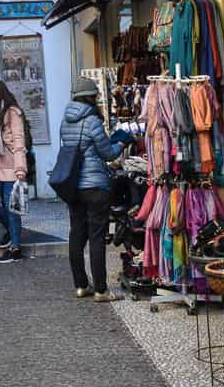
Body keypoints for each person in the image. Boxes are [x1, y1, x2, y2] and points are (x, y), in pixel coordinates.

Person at [61, 76, 129, 302]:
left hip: (73, 186)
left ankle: (81, 285)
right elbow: (107, 153)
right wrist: (121, 142)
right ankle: (101, 290)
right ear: (90, 97)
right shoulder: (91, 121)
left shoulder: (65, 120)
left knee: (76, 235)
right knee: (97, 237)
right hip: (94, 186)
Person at [0, 80, 28, 264]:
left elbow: (19, 141)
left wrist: (20, 168)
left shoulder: (12, 113)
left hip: (10, 165)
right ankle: (11, 229)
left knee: (12, 208)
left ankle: (15, 248)